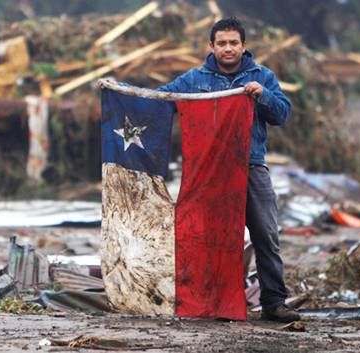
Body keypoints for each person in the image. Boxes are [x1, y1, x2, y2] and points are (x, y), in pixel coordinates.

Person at [99, 17, 299, 323]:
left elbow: (282, 114)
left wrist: (263, 95)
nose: (228, 48)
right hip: (208, 172)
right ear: (212, 46)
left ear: (244, 46)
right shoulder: (194, 79)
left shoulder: (262, 76)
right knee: (206, 237)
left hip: (250, 166)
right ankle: (212, 302)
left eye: (234, 43)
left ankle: (274, 302)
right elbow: (158, 100)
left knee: (265, 235)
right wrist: (118, 89)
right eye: (222, 43)